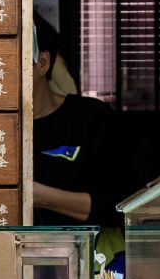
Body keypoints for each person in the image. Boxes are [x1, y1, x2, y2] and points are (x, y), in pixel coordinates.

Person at [31, 13, 127, 229]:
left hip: (85, 257)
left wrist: (40, 196)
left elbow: (121, 206)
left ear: (42, 63)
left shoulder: (91, 118)